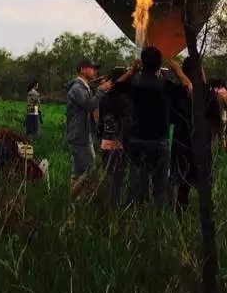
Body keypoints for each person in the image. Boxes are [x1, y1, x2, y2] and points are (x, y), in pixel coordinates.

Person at [122, 47, 192, 208]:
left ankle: (135, 217)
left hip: (137, 140)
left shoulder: (135, 84)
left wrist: (132, 71)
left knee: (136, 185)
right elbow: (189, 89)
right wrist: (178, 70)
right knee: (160, 187)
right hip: (160, 141)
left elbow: (117, 87)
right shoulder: (165, 86)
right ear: (159, 64)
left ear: (142, 63)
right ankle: (158, 222)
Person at [64, 58, 109, 193]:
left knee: (78, 172)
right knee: (90, 169)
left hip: (81, 134)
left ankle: (72, 200)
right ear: (83, 69)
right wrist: (101, 90)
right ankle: (80, 199)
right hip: (80, 136)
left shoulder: (84, 87)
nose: (95, 71)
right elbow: (89, 105)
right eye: (92, 68)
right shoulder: (77, 87)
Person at [97, 70, 130, 207]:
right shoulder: (124, 100)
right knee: (117, 178)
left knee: (107, 174)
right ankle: (113, 205)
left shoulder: (104, 98)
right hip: (118, 144)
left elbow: (101, 121)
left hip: (105, 142)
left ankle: (105, 204)